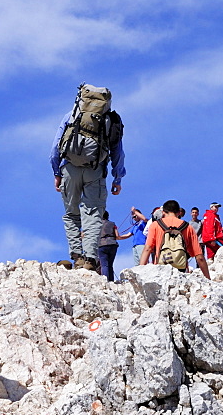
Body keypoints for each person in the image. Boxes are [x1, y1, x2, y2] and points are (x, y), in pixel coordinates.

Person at [50, 85, 125, 270]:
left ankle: (77, 256)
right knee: (93, 214)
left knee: (71, 215)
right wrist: (117, 178)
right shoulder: (110, 120)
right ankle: (90, 258)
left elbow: (54, 149)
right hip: (95, 170)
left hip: (69, 168)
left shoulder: (72, 115)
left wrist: (57, 173)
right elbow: (118, 152)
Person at [139, 200, 211, 279]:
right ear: (179, 213)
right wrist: (208, 279)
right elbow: (199, 257)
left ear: (163, 212)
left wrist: (140, 272)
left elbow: (147, 249)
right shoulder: (187, 227)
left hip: (161, 270)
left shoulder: (155, 225)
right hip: (181, 272)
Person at [97, 211, 132, 281]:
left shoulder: (97, 225)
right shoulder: (112, 224)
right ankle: (111, 280)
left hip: (101, 245)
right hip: (112, 244)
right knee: (110, 264)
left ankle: (105, 280)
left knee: (104, 264)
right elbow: (117, 236)